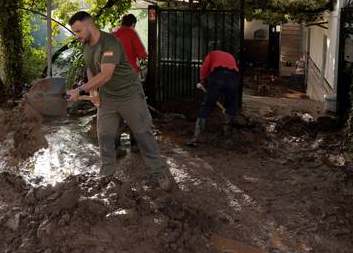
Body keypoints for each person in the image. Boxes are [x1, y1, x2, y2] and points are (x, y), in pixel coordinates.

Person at [65, 11, 171, 189]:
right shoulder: (86, 46)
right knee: (105, 135)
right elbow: (91, 70)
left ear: (89, 25)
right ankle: (106, 177)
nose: (77, 35)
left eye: (78, 31)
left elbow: (106, 74)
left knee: (143, 133)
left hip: (129, 94)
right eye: (75, 32)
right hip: (108, 97)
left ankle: (158, 173)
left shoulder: (110, 42)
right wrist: (93, 94)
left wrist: (79, 90)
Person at [187, 49, 240, 147]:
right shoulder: (230, 55)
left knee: (207, 105)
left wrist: (202, 81)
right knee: (231, 105)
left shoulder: (211, 54)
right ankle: (228, 137)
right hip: (233, 78)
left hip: (218, 76)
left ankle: (196, 138)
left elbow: (204, 69)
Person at [112, 13, 147, 154]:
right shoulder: (132, 33)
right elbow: (143, 54)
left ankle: (115, 146)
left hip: (112, 78)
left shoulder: (112, 35)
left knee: (117, 112)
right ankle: (135, 144)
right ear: (133, 24)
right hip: (130, 78)